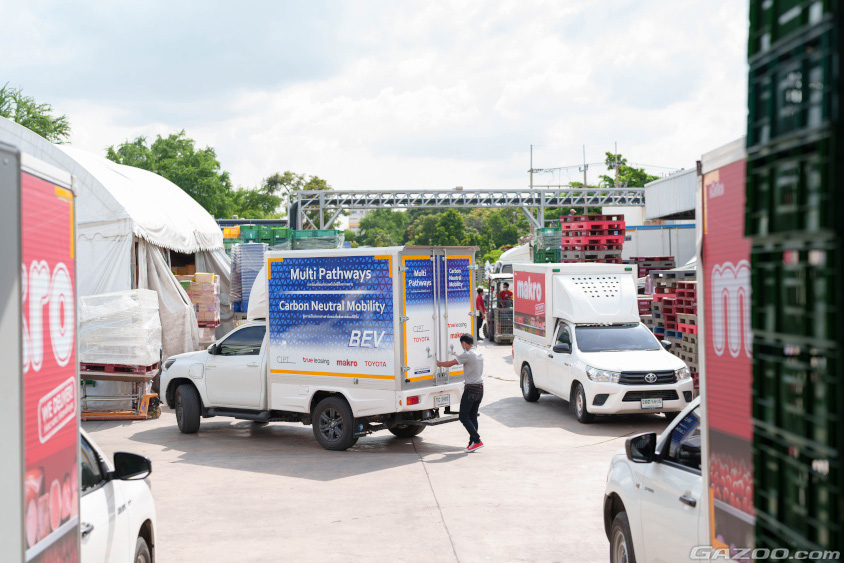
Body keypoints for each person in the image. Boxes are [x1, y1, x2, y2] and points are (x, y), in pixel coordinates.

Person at [437, 334, 484, 452]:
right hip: (480, 388)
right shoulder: (479, 353)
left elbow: (450, 363)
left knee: (463, 416)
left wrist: (439, 364)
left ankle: (477, 440)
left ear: (464, 343)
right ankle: (472, 443)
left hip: (471, 389)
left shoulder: (467, 355)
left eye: (462, 344)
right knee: (472, 416)